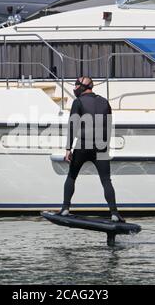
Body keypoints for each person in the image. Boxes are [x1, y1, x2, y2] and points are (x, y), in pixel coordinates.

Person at [57, 76, 125, 223]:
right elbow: (108, 125)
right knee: (106, 180)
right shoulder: (104, 102)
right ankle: (114, 213)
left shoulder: (78, 102)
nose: (74, 89)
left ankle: (65, 209)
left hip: (83, 144)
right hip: (101, 146)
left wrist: (68, 148)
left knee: (72, 176)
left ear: (81, 87)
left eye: (75, 86)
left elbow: (73, 125)